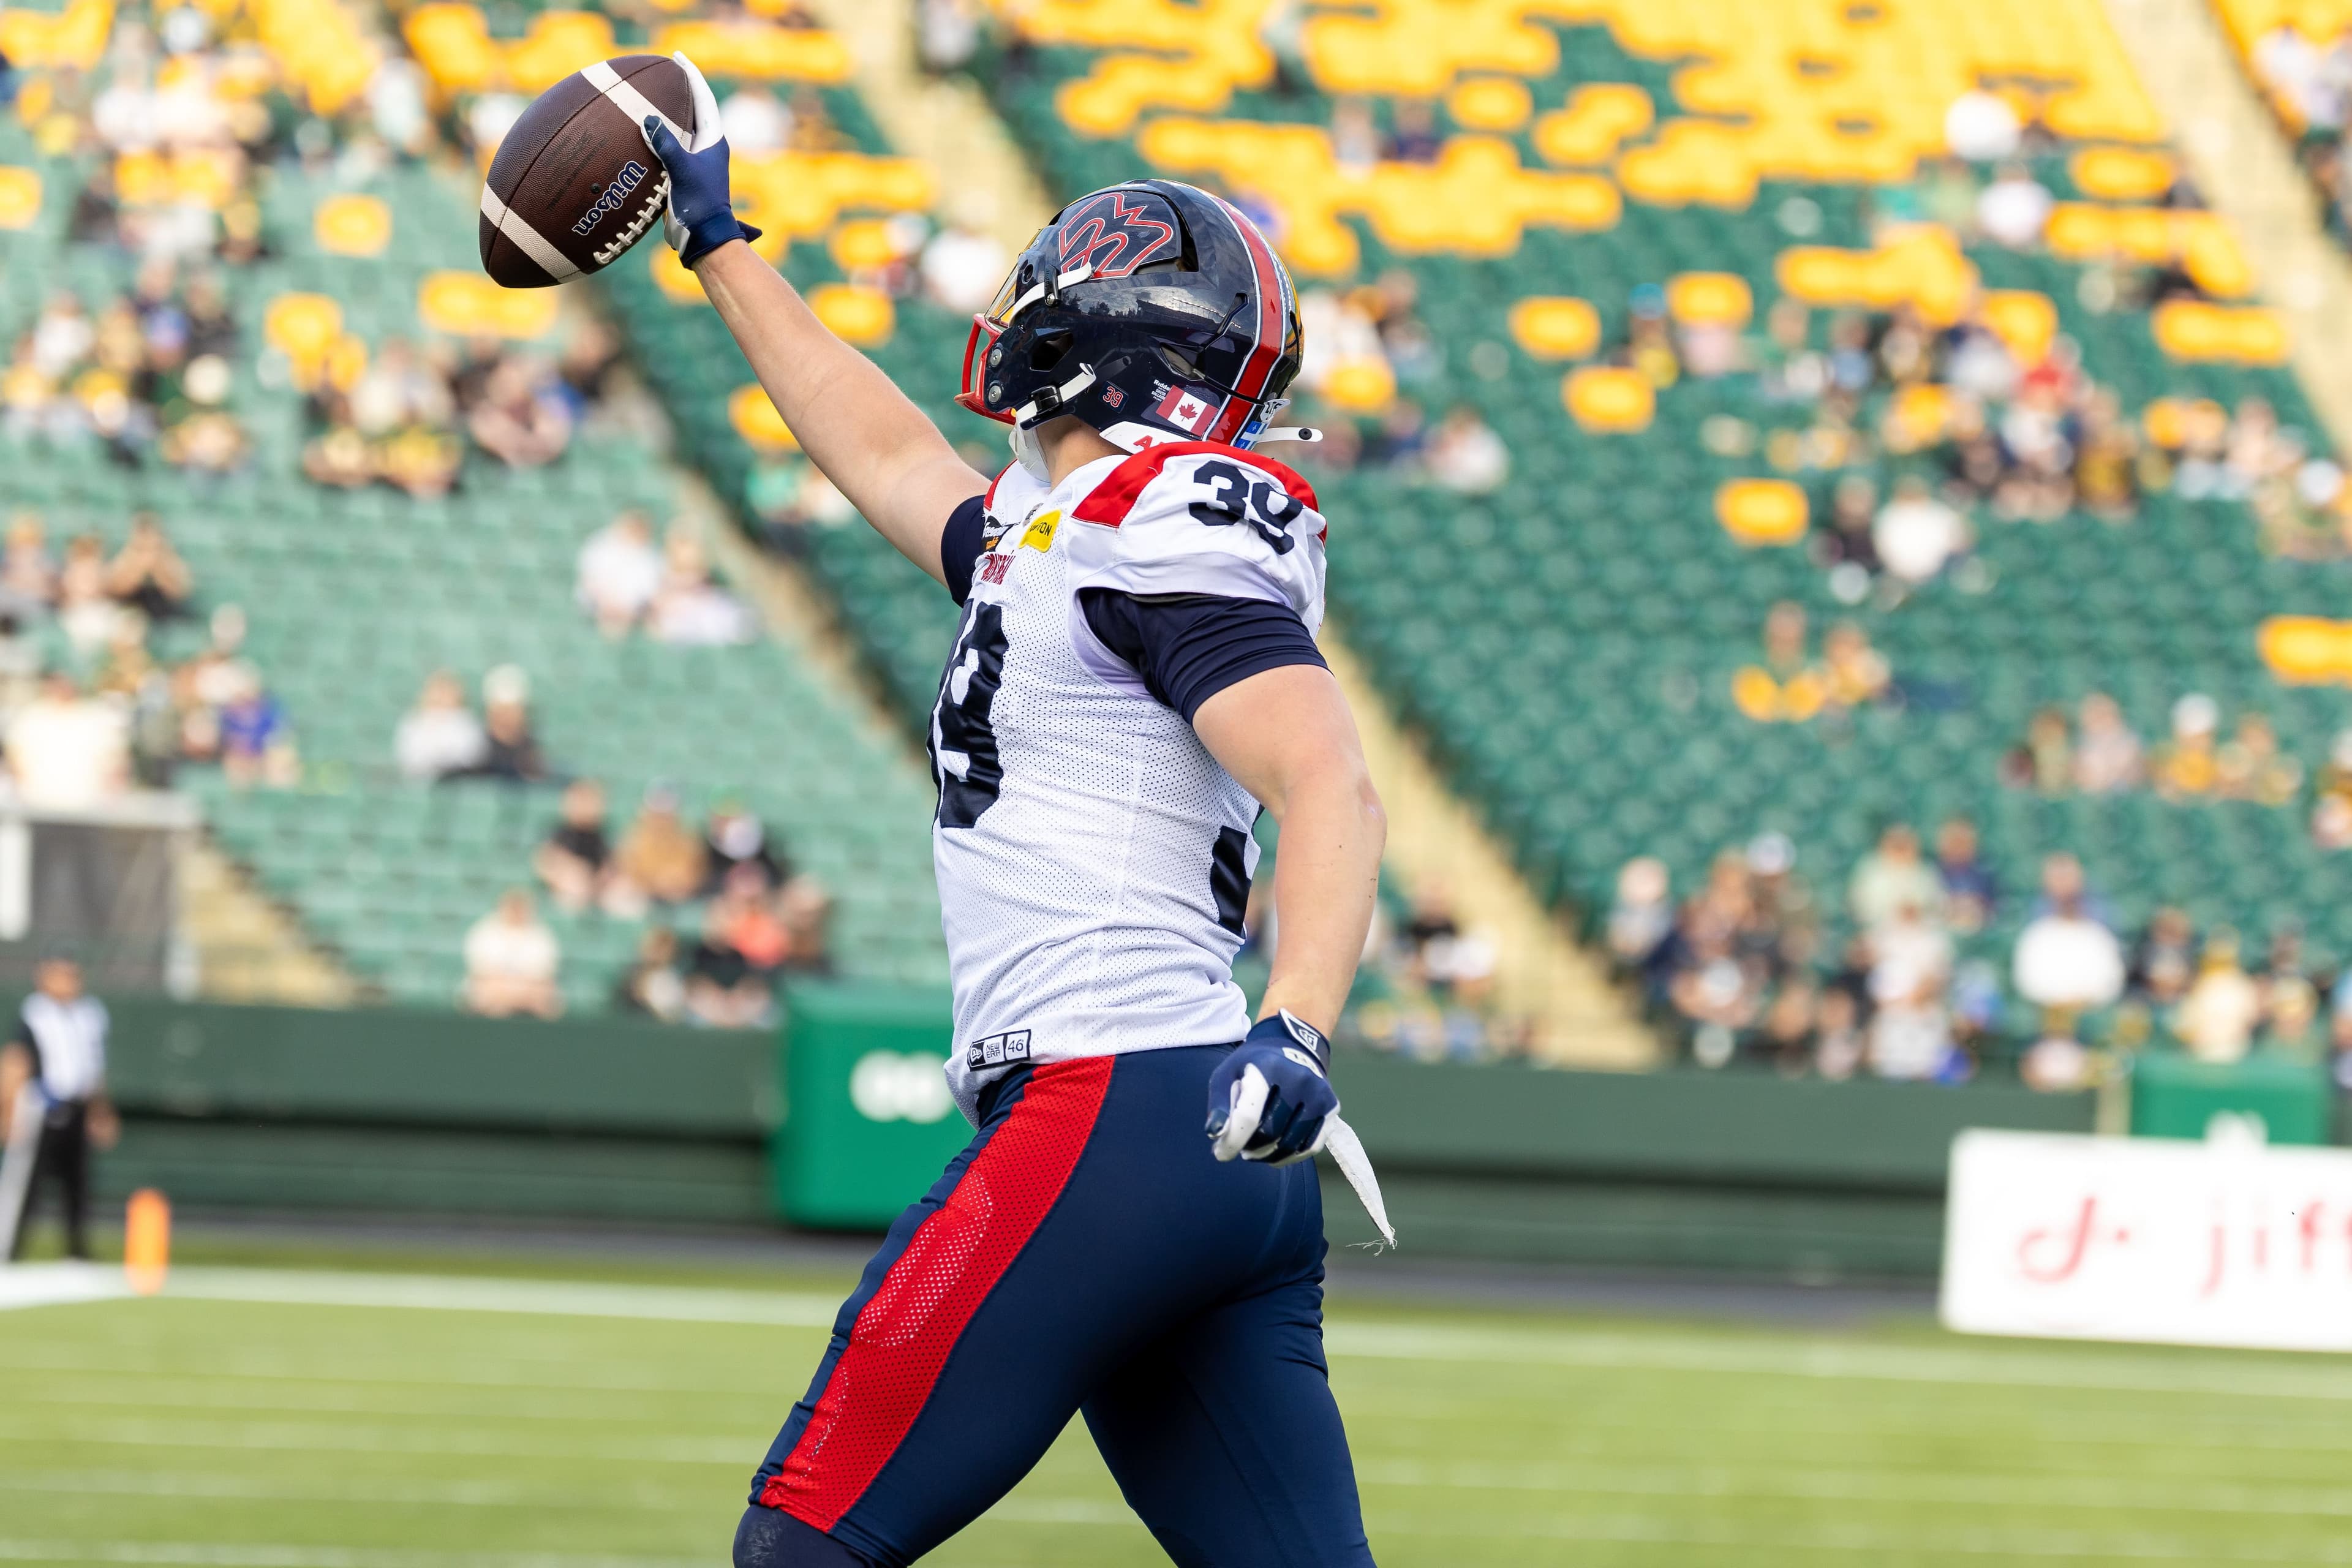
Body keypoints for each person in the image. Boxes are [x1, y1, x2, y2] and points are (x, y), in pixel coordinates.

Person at [643, 70, 1387, 1568]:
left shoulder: (1148, 525)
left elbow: (1330, 779)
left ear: (1106, 336)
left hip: (1110, 1103)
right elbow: (884, 450)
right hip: (1206, 1161)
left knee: (805, 1542)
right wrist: (724, 251)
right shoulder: (1062, 533)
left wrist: (1297, 1020)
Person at [1, 958, 119, 1261]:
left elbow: (94, 1067)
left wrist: (100, 1111)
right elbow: (16, 1060)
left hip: (77, 1106)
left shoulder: (90, 1014)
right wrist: (8, 1110)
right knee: (27, 1184)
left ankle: (78, 1253)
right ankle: (11, 1250)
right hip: (41, 1106)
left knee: (78, 1184)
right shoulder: (35, 1012)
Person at [461, 890, 562, 1019]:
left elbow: (543, 976)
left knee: (547, 999)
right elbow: (482, 974)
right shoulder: (484, 931)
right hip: (494, 989)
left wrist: (519, 994)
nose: (516, 912)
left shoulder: (542, 935)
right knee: (483, 995)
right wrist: (508, 993)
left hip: (530, 991)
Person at [394, 670, 488, 782]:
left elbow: (473, 756)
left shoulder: (467, 722)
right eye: (438, 691)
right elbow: (408, 757)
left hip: (456, 781)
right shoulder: (413, 721)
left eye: (446, 692)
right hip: (421, 782)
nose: (441, 697)